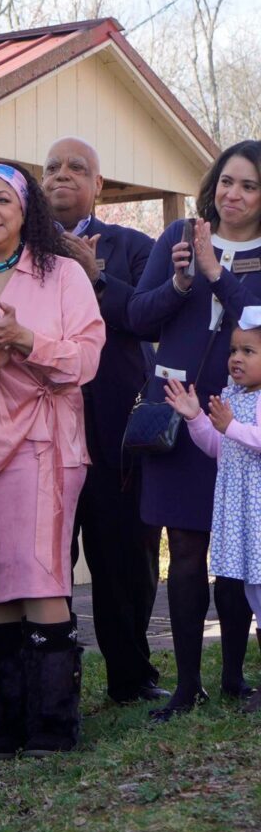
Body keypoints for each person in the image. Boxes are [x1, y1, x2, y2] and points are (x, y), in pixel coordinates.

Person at [0, 162, 104, 757]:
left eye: (0, 201)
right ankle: (7, 725)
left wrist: (24, 342)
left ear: (23, 208)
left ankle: (55, 726)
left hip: (45, 442)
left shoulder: (61, 273)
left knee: (40, 576)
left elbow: (86, 360)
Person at [127, 139, 261, 722]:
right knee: (183, 546)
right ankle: (186, 685)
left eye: (250, 186)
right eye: (227, 181)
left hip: (243, 421)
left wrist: (215, 273)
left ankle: (232, 675)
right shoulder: (179, 236)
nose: (234, 194)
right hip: (179, 412)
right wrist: (183, 283)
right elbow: (137, 317)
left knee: (240, 548)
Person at [40, 137, 167, 705]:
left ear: (99, 185)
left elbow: (146, 319)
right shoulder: (19, 250)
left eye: (77, 168)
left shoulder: (137, 248)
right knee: (49, 563)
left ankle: (130, 677)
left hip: (116, 433)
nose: (62, 176)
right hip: (43, 434)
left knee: (125, 561)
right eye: (51, 168)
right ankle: (53, 682)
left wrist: (93, 276)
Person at [164, 307, 261, 715]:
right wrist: (196, 419)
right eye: (233, 349)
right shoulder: (233, 397)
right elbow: (221, 449)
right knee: (252, 593)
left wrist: (230, 427)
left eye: (249, 351)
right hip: (238, 514)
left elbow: (250, 440)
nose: (236, 358)